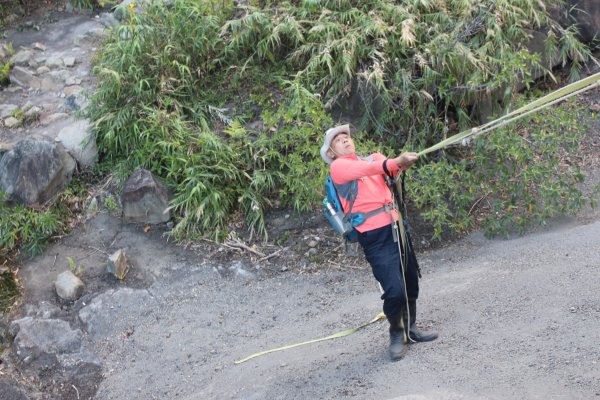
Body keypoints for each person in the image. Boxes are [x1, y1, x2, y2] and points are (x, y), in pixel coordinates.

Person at [320, 124, 438, 360]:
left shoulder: (374, 157)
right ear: (331, 153)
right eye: (338, 140)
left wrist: (401, 163)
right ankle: (396, 333)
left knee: (410, 280)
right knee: (394, 289)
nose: (345, 140)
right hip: (374, 236)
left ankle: (410, 329)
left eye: (346, 137)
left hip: (397, 227)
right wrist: (394, 162)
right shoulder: (340, 168)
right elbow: (376, 167)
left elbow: (389, 171)